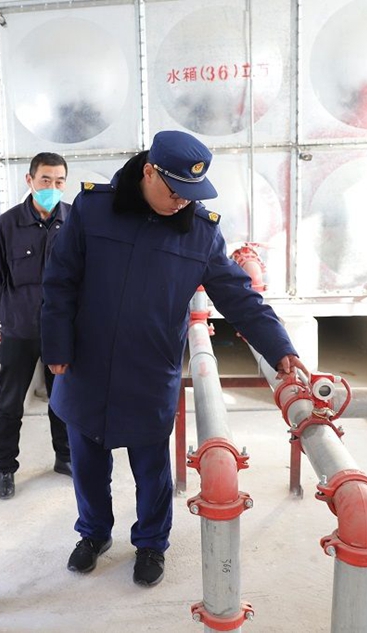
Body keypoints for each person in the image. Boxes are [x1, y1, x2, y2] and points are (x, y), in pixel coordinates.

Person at [41, 130, 308, 588]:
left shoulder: (200, 232)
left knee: (152, 470)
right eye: (175, 190)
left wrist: (280, 347)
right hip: (86, 365)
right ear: (148, 172)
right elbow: (60, 279)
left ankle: (151, 543)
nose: (183, 201)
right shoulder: (93, 209)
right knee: (87, 463)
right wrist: (57, 346)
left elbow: (239, 297)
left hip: (148, 370)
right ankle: (93, 533)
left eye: (192, 193)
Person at [0, 152, 72, 500]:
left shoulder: (74, 221)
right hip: (19, 329)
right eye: (45, 180)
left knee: (63, 400)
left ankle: (65, 457)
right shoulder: (7, 225)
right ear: (30, 180)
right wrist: (20, 306)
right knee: (9, 404)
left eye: (59, 181)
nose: (52, 187)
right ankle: (4, 468)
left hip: (61, 331)